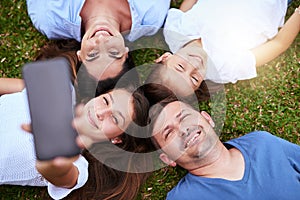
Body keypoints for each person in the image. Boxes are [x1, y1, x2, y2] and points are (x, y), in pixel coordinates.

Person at [148, 99, 300, 200]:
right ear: (168, 159)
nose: (183, 130)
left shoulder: (262, 143)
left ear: (208, 118)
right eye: (169, 133)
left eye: (185, 117)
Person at [147, 0, 300, 97]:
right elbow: (278, 44)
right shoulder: (224, 68)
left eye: (180, 67)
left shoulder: (173, 31)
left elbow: (191, 3)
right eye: (194, 78)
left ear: (165, 57)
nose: (194, 66)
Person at [26, 0, 171, 81]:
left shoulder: (49, 18)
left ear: (80, 55)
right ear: (126, 52)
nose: (101, 40)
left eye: (92, 55)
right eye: (113, 52)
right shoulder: (151, 16)